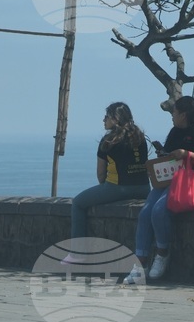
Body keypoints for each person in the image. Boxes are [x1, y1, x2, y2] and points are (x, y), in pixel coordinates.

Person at [123, 95, 194, 285]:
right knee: (145, 212)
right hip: (170, 180)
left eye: (174, 113)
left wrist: (186, 155)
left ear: (184, 114)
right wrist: (164, 155)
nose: (172, 116)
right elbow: (169, 155)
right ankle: (140, 263)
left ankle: (162, 252)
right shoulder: (175, 132)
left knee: (159, 210)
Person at [64, 102, 150, 263]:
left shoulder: (109, 140)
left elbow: (100, 173)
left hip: (119, 188)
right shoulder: (140, 137)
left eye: (106, 117)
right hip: (144, 188)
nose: (103, 120)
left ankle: (77, 253)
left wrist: (105, 188)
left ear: (115, 119)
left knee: (77, 203)